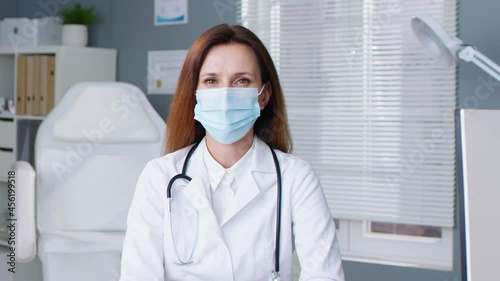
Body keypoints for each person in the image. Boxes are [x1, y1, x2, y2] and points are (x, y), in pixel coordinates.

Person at [119, 24, 345, 281]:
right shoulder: (159, 176)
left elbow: (324, 275)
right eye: (211, 81)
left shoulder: (296, 178)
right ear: (195, 93)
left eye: (242, 80)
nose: (225, 95)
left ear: (264, 95)